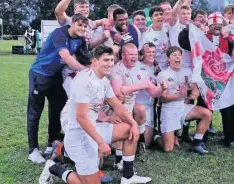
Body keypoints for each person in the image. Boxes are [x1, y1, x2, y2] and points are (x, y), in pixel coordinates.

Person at [39, 45, 151, 184]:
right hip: (78, 135)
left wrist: (134, 123)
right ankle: (53, 168)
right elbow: (81, 117)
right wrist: (101, 142)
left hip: (93, 128)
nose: (110, 63)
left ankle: (128, 176)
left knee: (129, 129)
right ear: (95, 61)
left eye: (111, 60)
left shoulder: (103, 80)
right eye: (105, 60)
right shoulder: (83, 81)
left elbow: (117, 106)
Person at [27, 14, 90, 164]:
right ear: (72, 23)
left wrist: (98, 66)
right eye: (79, 25)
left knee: (57, 109)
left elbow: (86, 59)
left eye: (85, 26)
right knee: (35, 112)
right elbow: (67, 58)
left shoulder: (80, 39)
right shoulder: (59, 33)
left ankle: (51, 142)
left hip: (55, 76)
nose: (82, 28)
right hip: (39, 74)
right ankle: (33, 150)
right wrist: (88, 72)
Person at [178, 12, 234, 148]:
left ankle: (230, 138)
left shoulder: (228, 39)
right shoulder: (201, 38)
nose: (217, 27)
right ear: (209, 26)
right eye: (214, 25)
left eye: (219, 25)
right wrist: (188, 29)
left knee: (228, 110)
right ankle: (201, 138)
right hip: (206, 80)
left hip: (224, 80)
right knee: (205, 107)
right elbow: (183, 41)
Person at [154, 46, 212, 154]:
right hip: (169, 110)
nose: (177, 57)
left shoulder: (187, 72)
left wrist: (192, 94)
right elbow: (163, 98)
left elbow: (195, 90)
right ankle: (156, 136)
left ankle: (196, 143)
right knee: (168, 149)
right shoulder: (163, 75)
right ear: (168, 58)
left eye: (179, 55)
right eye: (174, 55)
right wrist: (179, 95)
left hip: (183, 107)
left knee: (207, 114)